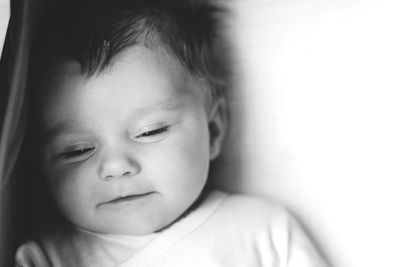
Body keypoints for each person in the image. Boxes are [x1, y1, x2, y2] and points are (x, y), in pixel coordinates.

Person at [15, 0, 329, 266]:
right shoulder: (47, 255)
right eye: (77, 150)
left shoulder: (264, 229)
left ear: (214, 129)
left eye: (150, 131)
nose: (115, 166)